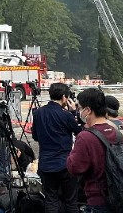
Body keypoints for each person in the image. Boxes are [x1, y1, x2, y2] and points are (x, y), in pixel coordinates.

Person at [66, 88, 120, 213]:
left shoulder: (86, 137)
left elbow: (74, 168)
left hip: (97, 198)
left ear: (88, 110)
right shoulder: (116, 132)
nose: (79, 111)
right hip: (117, 194)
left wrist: (72, 152)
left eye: (80, 108)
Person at [31, 82, 81, 213]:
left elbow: (35, 136)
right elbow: (79, 132)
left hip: (46, 163)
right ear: (64, 97)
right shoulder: (66, 115)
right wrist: (74, 112)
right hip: (65, 162)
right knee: (71, 200)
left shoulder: (38, 113)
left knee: (50, 199)